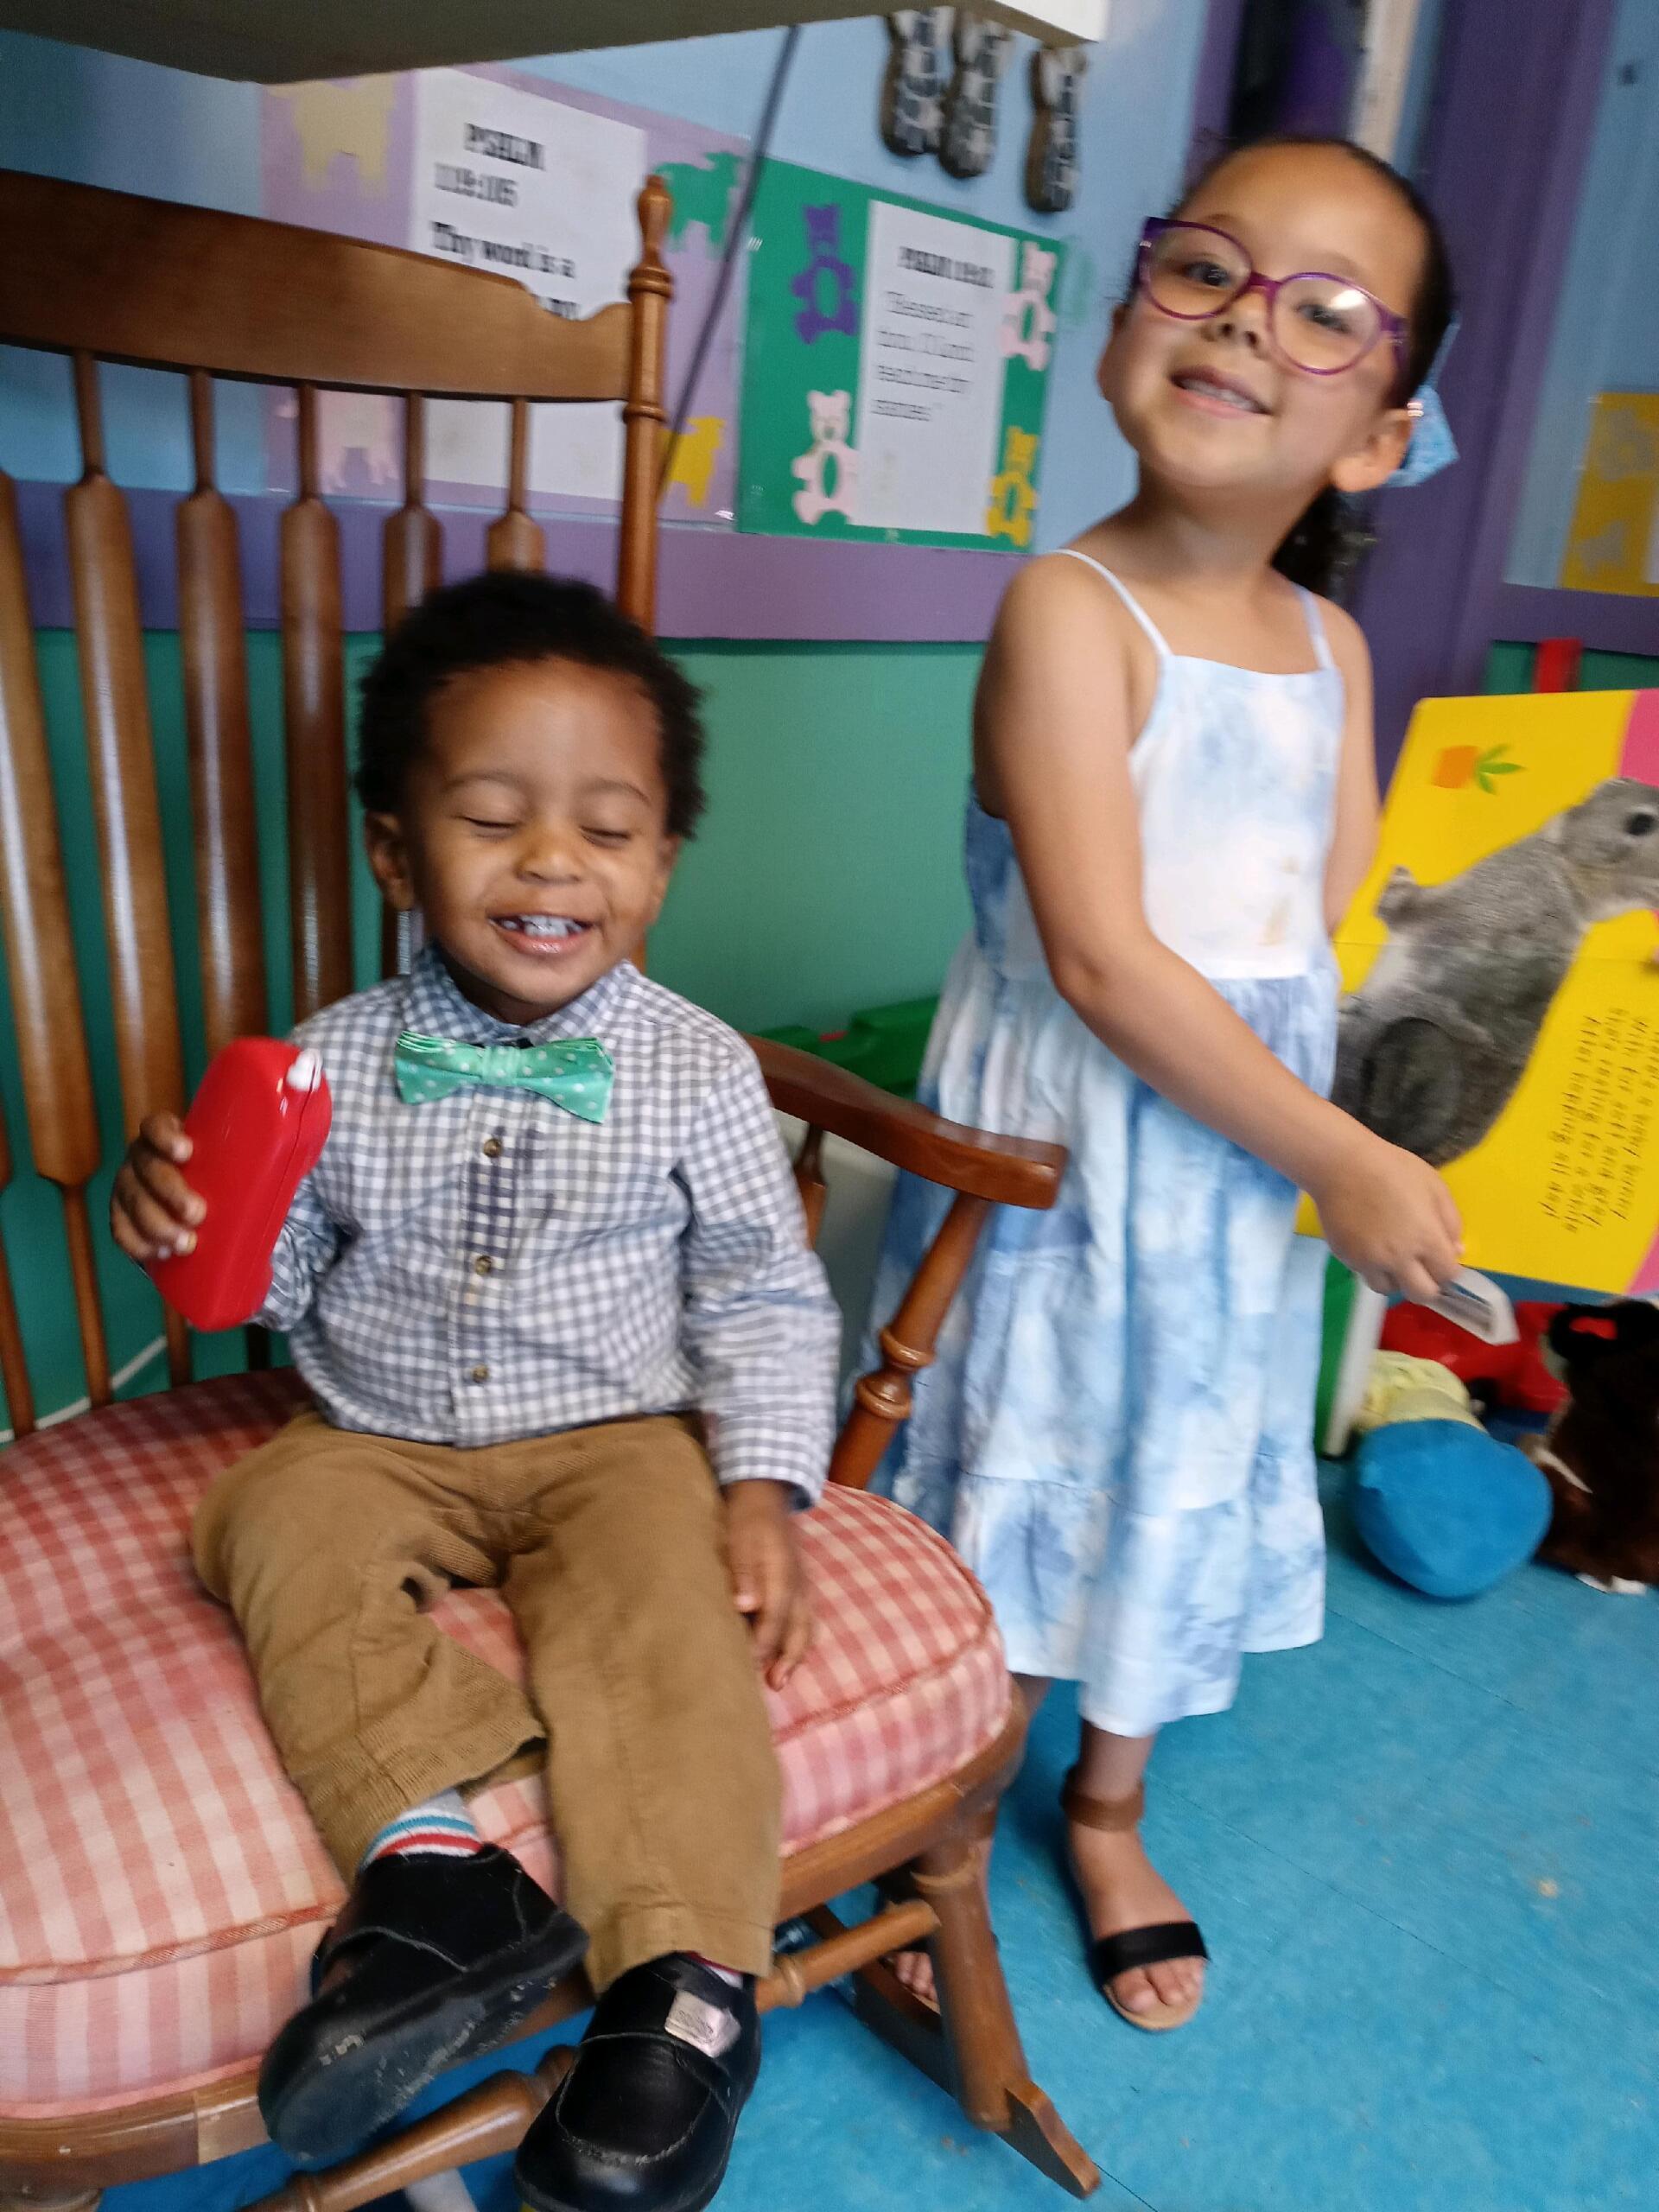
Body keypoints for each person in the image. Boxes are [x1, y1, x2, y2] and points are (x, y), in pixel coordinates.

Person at [111, 572, 841, 2212]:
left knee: (666, 1622)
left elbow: (761, 1291)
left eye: (607, 827)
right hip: (375, 1433)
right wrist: (191, 1221)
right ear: (398, 855)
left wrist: (762, 1484)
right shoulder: (329, 1060)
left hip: (615, 1439)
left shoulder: (699, 1069)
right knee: (263, 1516)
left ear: (661, 862)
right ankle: (437, 1879)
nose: (552, 862)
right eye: (495, 820)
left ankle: (683, 1994)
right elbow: (272, 1287)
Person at [871, 135, 1463, 2033]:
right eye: (1207, 268)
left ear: (1379, 437)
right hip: (1067, 1158)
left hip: (1230, 1171)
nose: (1247, 322)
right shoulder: (1070, 608)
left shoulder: (1336, 647)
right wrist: (1339, 1153)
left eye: (1325, 311)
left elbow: (1317, 928)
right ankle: (952, 1809)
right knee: (1032, 1462)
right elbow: (1108, 961)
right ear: (1128, 321)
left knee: (1180, 1468)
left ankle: (1109, 1811)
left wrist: (1395, 1130)